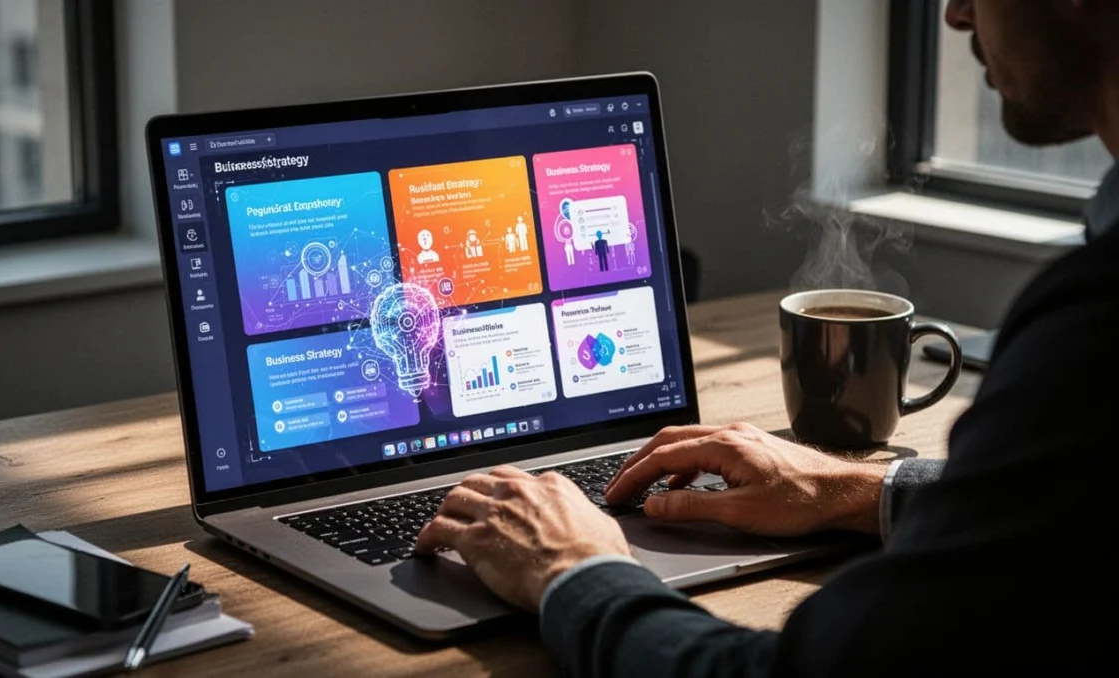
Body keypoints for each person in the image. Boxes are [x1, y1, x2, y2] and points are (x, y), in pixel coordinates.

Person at [415, 1, 1118, 674]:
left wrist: (573, 571)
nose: (954, 14)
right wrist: (850, 489)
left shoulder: (1093, 329)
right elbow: (1073, 518)